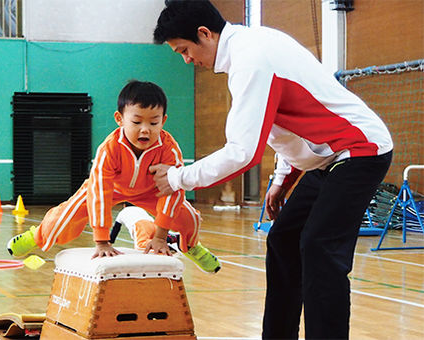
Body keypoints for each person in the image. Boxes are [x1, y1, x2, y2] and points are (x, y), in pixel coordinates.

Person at [151, 1, 393, 338]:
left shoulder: (251, 59)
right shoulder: (252, 47)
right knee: (283, 240)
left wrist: (178, 178)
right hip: (330, 158)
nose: (187, 60)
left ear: (204, 34)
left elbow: (242, 152)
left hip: (360, 151)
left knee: (319, 247)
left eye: (184, 50)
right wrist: (282, 179)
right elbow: (286, 127)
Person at [7, 80, 221, 273]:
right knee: (63, 220)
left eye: (153, 123)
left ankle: (191, 246)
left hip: (151, 192)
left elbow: (173, 191)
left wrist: (160, 236)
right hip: (111, 189)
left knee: (190, 218)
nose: (145, 130)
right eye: (137, 122)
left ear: (163, 120)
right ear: (120, 119)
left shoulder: (168, 149)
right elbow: (99, 192)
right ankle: (36, 236)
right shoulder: (109, 149)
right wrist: (102, 241)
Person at [109, 203, 179, 252]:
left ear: (124, 206)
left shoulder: (122, 212)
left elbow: (116, 229)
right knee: (155, 239)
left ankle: (169, 240)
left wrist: (109, 243)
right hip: (153, 224)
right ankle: (169, 238)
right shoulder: (140, 209)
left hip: (141, 225)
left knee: (140, 246)